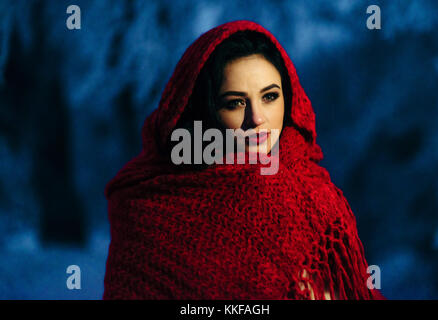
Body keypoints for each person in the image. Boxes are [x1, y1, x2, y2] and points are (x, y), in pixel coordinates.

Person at [103, 20, 385, 300]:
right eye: (235, 102)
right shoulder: (144, 203)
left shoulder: (310, 198)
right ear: (205, 110)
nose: (257, 118)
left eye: (270, 97)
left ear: (289, 98)